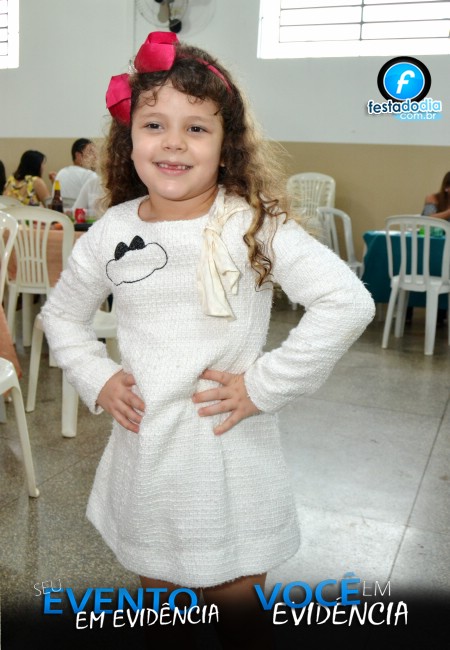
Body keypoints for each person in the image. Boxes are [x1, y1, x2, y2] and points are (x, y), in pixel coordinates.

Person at [41, 32, 375, 648]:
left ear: (226, 147)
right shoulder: (112, 230)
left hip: (229, 457)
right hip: (147, 457)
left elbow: (347, 301)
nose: (173, 142)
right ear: (130, 140)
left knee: (238, 613)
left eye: (196, 128)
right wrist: (98, 377)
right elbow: (60, 316)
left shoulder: (252, 224)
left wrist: (264, 385)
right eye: (154, 125)